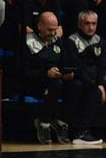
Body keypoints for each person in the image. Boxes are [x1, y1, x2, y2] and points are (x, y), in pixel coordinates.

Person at [64, 9, 106, 145]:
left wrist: (101, 84)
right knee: (94, 92)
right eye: (87, 23)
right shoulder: (71, 41)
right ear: (80, 24)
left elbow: (103, 66)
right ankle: (81, 133)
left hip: (97, 81)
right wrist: (96, 85)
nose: (91, 27)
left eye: (94, 23)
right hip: (81, 80)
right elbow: (78, 68)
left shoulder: (100, 40)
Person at [24, 12, 71, 145]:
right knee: (56, 84)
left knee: (76, 85)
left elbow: (64, 62)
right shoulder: (28, 41)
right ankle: (43, 123)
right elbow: (24, 71)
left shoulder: (57, 40)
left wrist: (66, 72)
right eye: (49, 30)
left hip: (55, 79)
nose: (52, 33)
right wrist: (45, 73)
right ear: (39, 26)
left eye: (55, 30)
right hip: (34, 81)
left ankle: (61, 122)